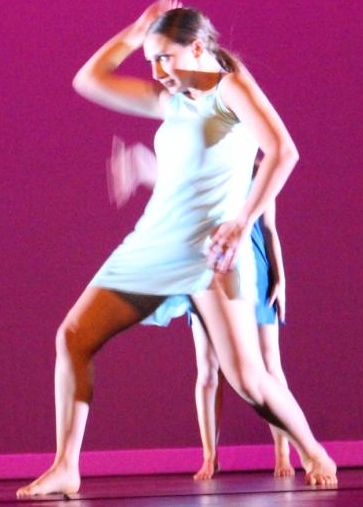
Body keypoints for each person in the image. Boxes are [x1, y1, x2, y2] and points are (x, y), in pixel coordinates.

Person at [18, 0, 337, 498]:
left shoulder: (229, 89)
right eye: (151, 61)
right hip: (152, 244)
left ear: (198, 47)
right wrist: (135, 30)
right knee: (74, 336)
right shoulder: (173, 99)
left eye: (165, 57)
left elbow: (283, 151)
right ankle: (65, 466)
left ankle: (314, 450)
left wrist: (242, 222)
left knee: (248, 380)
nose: (156, 70)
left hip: (209, 254)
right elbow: (89, 81)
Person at [110, 141, 294, 480]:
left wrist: (280, 278)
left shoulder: (258, 173)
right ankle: (210, 456)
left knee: (269, 364)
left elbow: (269, 229)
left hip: (255, 273)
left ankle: (283, 452)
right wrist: (139, 166)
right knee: (208, 369)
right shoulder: (205, 173)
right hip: (211, 276)